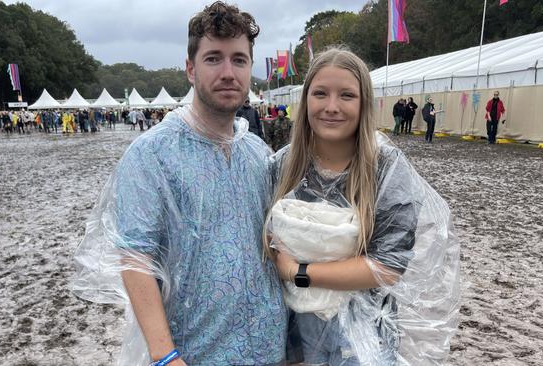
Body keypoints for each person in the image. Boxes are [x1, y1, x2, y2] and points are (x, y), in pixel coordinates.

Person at [72, 2, 286, 366]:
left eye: (239, 60)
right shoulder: (152, 153)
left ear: (251, 69)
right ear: (190, 68)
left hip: (270, 347)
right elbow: (136, 258)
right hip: (196, 352)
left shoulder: (256, 151)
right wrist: (165, 355)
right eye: (213, 58)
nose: (228, 72)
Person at [265, 48, 459, 366]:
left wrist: (299, 272)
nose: (331, 107)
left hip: (365, 335)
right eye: (320, 94)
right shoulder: (283, 166)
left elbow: (388, 266)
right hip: (296, 334)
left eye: (346, 95)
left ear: (363, 103)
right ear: (306, 100)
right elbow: (266, 240)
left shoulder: (386, 169)